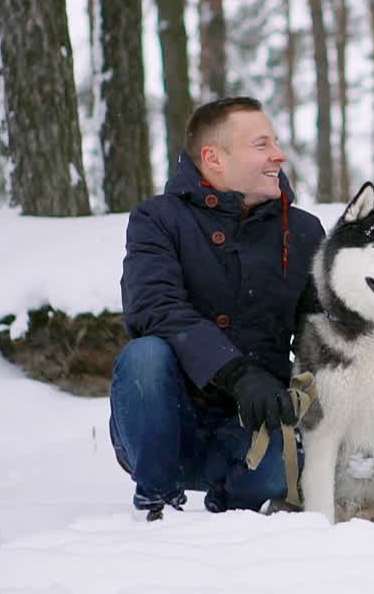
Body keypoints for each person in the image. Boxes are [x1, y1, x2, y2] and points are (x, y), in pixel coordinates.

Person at [110, 96, 325, 520]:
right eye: (261, 144)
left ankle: (237, 502)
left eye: (276, 142)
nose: (278, 154)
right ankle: (156, 498)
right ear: (214, 158)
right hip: (171, 416)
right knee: (144, 356)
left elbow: (319, 325)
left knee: (269, 484)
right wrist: (236, 372)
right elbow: (153, 307)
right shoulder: (158, 219)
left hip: (254, 418)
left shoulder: (302, 229)